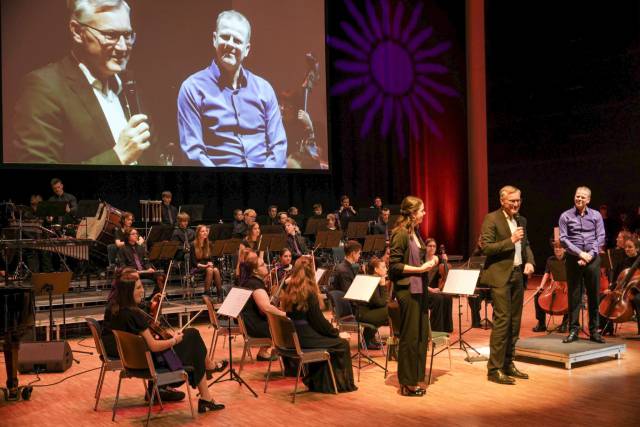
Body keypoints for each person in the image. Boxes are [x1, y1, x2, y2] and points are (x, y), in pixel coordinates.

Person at [10, 0, 151, 165]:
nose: (122, 47)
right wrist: (118, 157)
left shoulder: (129, 84)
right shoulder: (43, 88)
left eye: (127, 35)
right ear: (77, 31)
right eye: (111, 35)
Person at [101, 272, 225, 412]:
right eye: (138, 288)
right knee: (193, 337)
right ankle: (206, 390)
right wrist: (174, 340)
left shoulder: (116, 309)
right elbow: (154, 346)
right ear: (128, 292)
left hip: (135, 362)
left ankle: (206, 392)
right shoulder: (134, 314)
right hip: (153, 364)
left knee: (193, 343)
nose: (142, 290)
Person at [177, 10, 287, 168]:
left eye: (237, 40)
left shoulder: (265, 89)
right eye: (225, 37)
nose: (230, 44)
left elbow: (278, 147)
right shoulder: (192, 88)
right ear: (214, 39)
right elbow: (193, 153)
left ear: (247, 49)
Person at [480, 185, 535, 385]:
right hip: (500, 276)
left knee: (515, 322)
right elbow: (486, 247)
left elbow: (526, 244)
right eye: (512, 201)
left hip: (517, 274)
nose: (516, 204)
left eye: (518, 200)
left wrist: (530, 261)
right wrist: (510, 240)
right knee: (502, 321)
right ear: (502, 201)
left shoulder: (521, 220)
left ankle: (508, 363)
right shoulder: (491, 219)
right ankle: (494, 369)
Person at [279, 256, 357, 393]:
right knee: (341, 343)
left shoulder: (289, 289)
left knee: (331, 339)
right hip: (305, 338)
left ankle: (318, 381)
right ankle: (336, 385)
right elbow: (318, 322)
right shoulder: (309, 292)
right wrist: (336, 333)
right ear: (311, 272)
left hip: (294, 337)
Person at [389, 196, 439, 397]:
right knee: (410, 337)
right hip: (408, 291)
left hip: (419, 289)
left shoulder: (415, 232)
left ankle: (416, 376)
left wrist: (431, 260)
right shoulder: (400, 233)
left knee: (420, 336)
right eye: (421, 210)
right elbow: (394, 266)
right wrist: (420, 269)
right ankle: (407, 383)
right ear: (412, 213)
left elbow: (418, 259)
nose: (424, 213)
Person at [559, 186, 606, 344]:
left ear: (588, 200)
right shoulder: (565, 216)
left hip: (592, 258)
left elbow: (600, 236)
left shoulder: (596, 215)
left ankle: (594, 331)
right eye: (577, 196)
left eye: (582, 197)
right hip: (574, 258)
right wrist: (580, 254)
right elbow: (563, 239)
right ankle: (573, 330)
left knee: (594, 295)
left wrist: (589, 255)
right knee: (574, 295)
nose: (579, 199)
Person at [237, 251, 285, 360]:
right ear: (255, 271)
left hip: (249, 323)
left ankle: (263, 352)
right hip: (254, 326)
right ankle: (287, 353)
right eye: (262, 265)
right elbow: (266, 308)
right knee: (287, 324)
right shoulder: (255, 284)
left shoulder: (250, 281)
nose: (266, 266)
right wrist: (284, 314)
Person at [532, 244, 569, 333]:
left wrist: (568, 285)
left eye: (560, 247)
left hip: (567, 285)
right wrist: (541, 286)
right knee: (538, 294)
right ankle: (541, 323)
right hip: (554, 285)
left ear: (565, 249)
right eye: (556, 247)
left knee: (572, 297)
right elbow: (547, 273)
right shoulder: (551, 260)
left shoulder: (569, 259)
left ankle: (565, 323)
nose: (557, 249)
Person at [117, 228, 164, 295]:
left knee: (160, 276)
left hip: (144, 272)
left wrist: (149, 268)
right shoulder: (122, 249)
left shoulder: (141, 248)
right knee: (132, 278)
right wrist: (132, 271)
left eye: (136, 234)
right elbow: (122, 264)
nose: (136, 235)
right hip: (133, 273)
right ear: (127, 236)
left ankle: (155, 297)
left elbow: (146, 261)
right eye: (133, 234)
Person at [356, 257, 390, 350]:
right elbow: (380, 303)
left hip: (369, 311)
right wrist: (383, 285)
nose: (386, 269)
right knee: (389, 311)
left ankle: (369, 339)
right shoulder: (371, 281)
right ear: (376, 269)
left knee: (389, 310)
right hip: (362, 314)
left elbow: (381, 302)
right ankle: (367, 341)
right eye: (383, 267)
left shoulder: (375, 279)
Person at [425, 238, 453, 333]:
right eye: (430, 246)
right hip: (423, 289)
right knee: (438, 299)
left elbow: (444, 275)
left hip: (435, 289)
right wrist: (431, 290)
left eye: (434, 246)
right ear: (425, 247)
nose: (432, 248)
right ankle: (436, 329)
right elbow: (419, 280)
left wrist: (445, 261)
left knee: (447, 297)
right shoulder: (421, 260)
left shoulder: (439, 259)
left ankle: (447, 328)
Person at [191, 225, 224, 301]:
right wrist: (205, 266)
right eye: (202, 231)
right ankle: (206, 295)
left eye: (206, 231)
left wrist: (210, 263)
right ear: (198, 233)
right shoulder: (193, 245)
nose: (205, 232)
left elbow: (212, 259)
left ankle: (219, 294)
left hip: (208, 267)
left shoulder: (209, 244)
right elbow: (193, 262)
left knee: (215, 270)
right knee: (210, 270)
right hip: (197, 267)